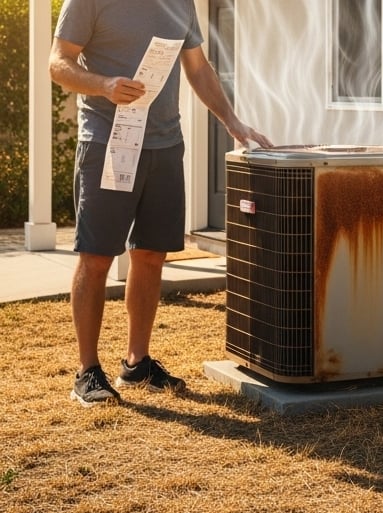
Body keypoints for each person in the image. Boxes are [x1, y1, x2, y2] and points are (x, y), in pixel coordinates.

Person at [50, 0, 272, 407]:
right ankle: (87, 372)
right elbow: (58, 62)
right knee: (96, 257)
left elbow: (198, 67)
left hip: (165, 143)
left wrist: (232, 123)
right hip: (107, 141)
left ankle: (136, 363)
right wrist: (104, 85)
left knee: (152, 254)